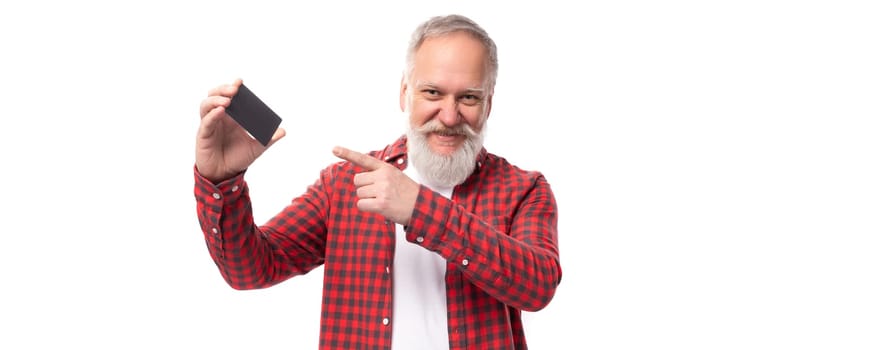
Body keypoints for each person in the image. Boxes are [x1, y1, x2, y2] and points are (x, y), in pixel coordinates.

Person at [193, 14, 561, 349]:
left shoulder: (523, 189)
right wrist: (221, 181)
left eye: (468, 97)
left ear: (488, 105)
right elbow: (251, 270)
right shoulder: (345, 185)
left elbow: (538, 286)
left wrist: (420, 209)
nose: (449, 116)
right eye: (432, 92)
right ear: (405, 93)